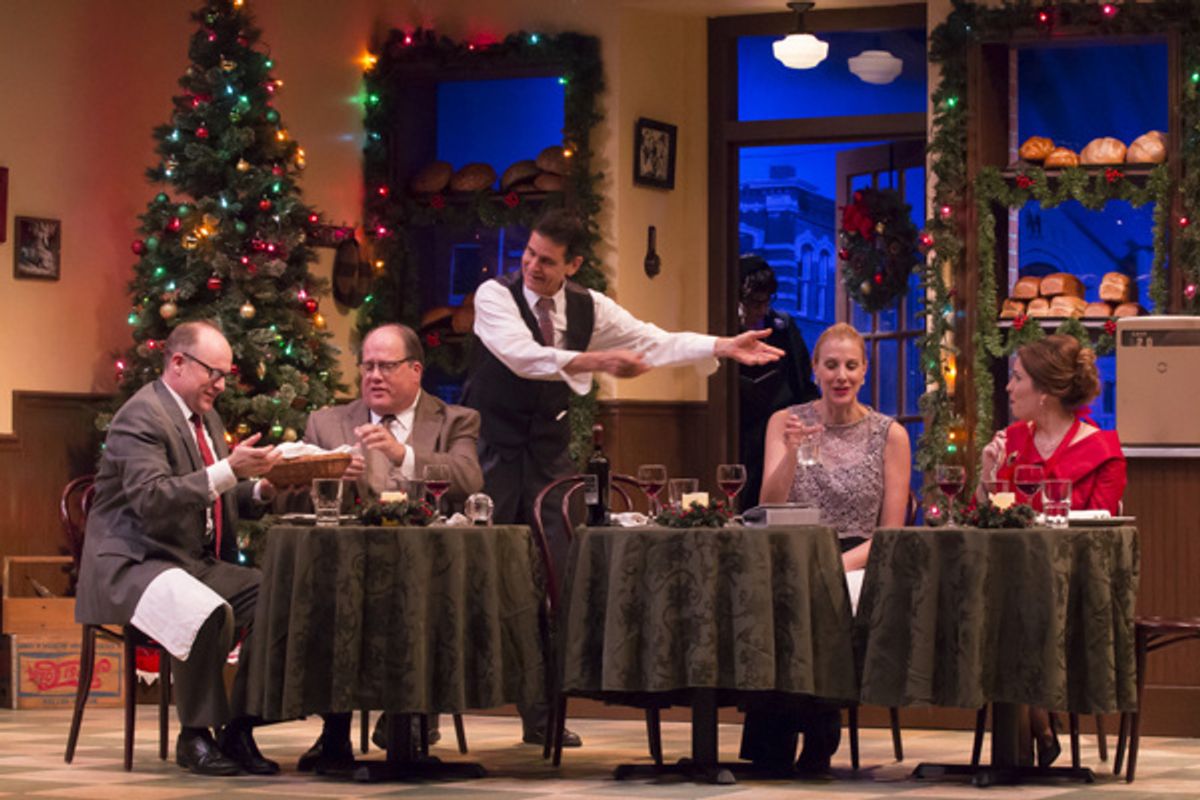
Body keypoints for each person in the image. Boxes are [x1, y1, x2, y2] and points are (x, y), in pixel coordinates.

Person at [463, 209, 785, 746]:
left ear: (573, 264)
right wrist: (596, 361)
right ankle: (413, 714)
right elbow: (522, 357)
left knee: (557, 586)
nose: (533, 266)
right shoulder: (495, 297)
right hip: (493, 457)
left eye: (546, 260)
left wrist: (720, 346)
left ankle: (543, 716)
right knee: (475, 581)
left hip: (548, 459)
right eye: (529, 255)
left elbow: (650, 339)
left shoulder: (589, 306)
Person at [75, 320, 283, 776]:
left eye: (227, 374)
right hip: (133, 562)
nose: (222, 385)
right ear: (178, 363)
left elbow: (212, 495)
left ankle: (241, 726)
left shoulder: (205, 417)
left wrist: (262, 489)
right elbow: (154, 499)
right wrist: (230, 469)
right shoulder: (141, 416)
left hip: (186, 560)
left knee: (278, 595)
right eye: (215, 373)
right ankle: (195, 734)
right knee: (206, 609)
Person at [296, 323, 483, 770]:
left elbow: (469, 478)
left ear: (416, 371)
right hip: (346, 567)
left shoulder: (456, 420)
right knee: (328, 598)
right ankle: (335, 732)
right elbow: (291, 493)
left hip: (427, 568)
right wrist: (324, 480)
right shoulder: (327, 423)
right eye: (368, 365)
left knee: (427, 600)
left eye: (387, 366)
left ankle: (412, 718)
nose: (374, 375)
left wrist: (404, 456)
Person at [741, 322, 911, 775]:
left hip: (859, 556)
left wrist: (832, 565)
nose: (841, 375)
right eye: (831, 365)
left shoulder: (889, 434)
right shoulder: (787, 422)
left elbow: (890, 534)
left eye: (851, 366)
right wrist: (792, 452)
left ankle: (819, 733)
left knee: (821, 594)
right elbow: (767, 506)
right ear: (815, 370)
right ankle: (770, 744)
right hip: (793, 549)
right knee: (768, 594)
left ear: (864, 372)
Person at [977, 334, 1126, 766]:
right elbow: (982, 518)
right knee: (1002, 600)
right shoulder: (1008, 442)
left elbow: (1098, 533)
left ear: (1044, 392)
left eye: (1017, 378)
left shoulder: (1103, 452)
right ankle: (1037, 722)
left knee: (1021, 604)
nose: (1008, 387)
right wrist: (988, 475)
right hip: (1008, 581)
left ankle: (1032, 725)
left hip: (1074, 584)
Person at [737, 256, 819, 506]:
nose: (761, 310)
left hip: (784, 430)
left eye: (766, 302)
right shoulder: (725, 331)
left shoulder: (782, 328)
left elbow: (803, 381)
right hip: (742, 435)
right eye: (755, 303)